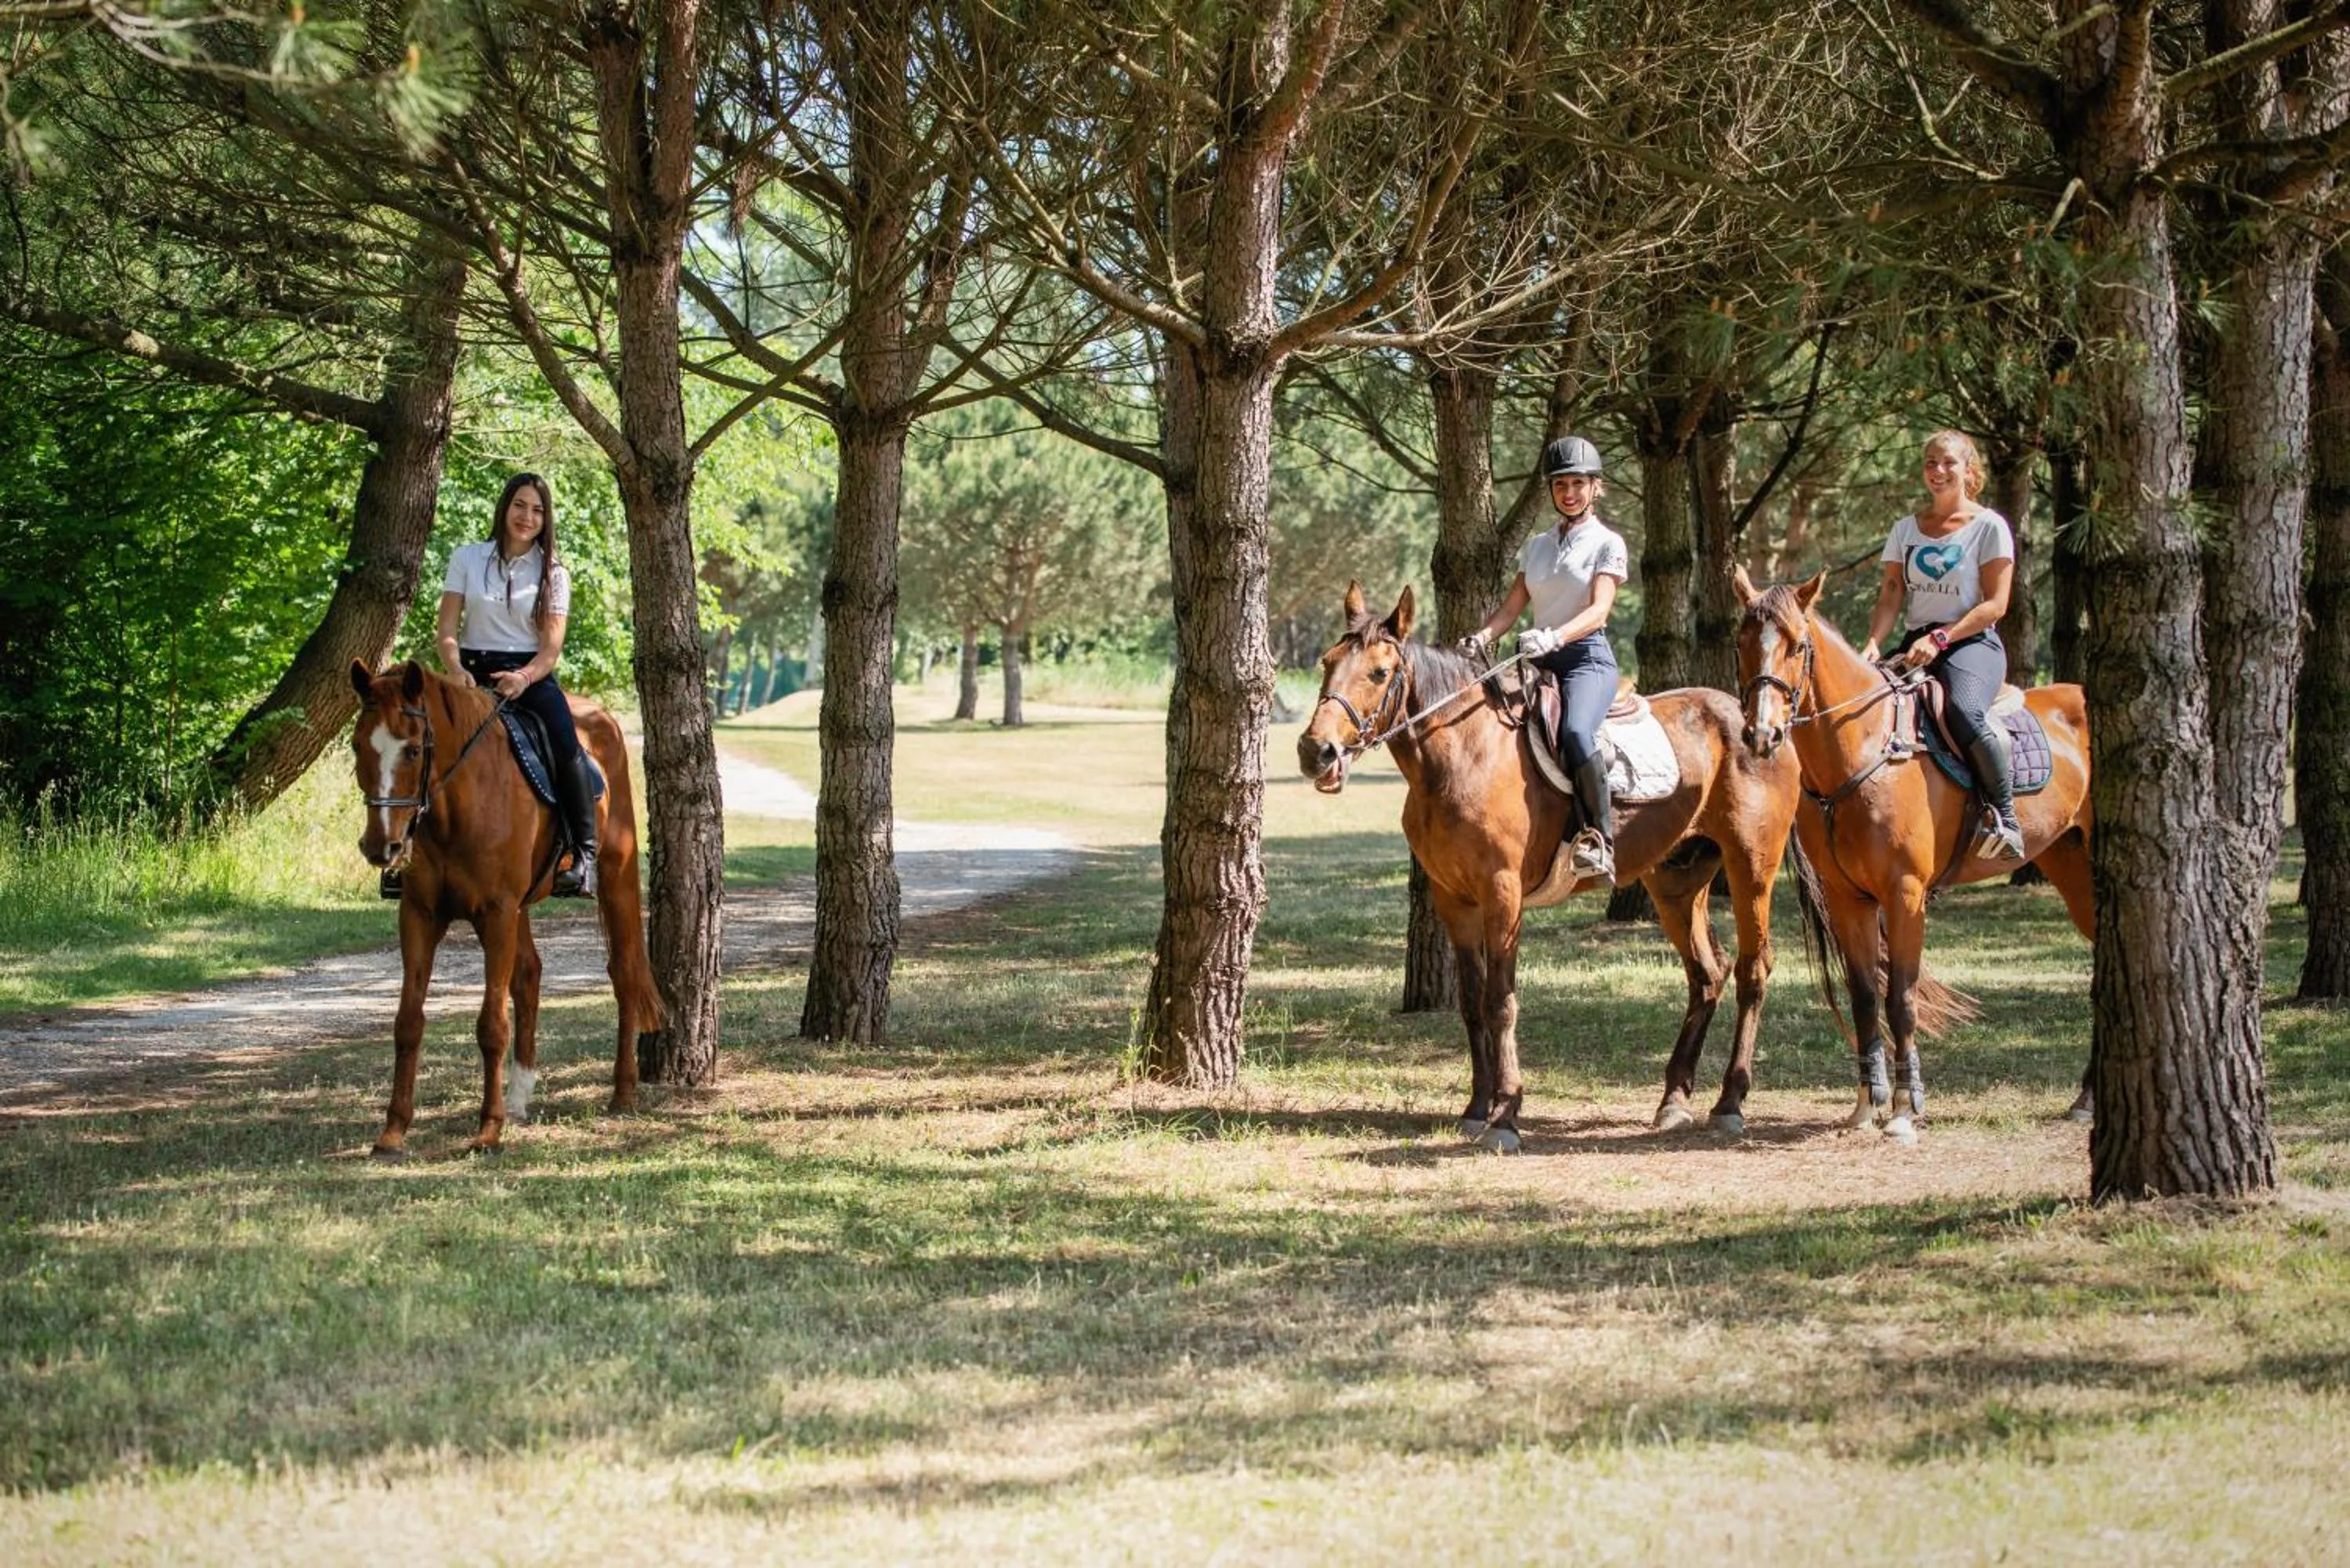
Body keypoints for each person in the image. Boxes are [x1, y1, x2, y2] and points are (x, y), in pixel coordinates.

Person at [1462, 434, 1631, 883]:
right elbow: (1511, 609)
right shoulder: (1537, 546)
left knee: (1576, 732)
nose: (1569, 492)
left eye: (1578, 483)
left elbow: (1598, 612)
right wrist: (1481, 636)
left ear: (1596, 487)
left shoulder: (1607, 543)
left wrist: (1555, 635)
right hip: (1538, 662)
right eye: (1561, 486)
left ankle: (1601, 838)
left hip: (1585, 660)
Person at [1860, 428, 2025, 860]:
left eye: (1949, 462)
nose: (1938, 470)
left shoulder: (1990, 527)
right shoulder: (1906, 529)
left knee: (1962, 711)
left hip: (1971, 643)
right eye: (1931, 462)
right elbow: (1892, 592)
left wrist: (1943, 637)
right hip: (1917, 642)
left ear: (1969, 470)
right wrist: (1875, 643)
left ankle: (2004, 818)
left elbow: (1997, 604)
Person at [436, 473, 598, 897]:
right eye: (520, 505)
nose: (528, 517)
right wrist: (454, 669)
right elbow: (447, 631)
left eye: (538, 510)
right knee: (419, 740)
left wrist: (523, 677)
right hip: (469, 671)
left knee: (565, 741)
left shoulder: (554, 573)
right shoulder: (467, 558)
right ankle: (407, 856)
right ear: (505, 508)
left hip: (529, 674)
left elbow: (550, 650)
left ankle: (583, 855)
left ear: (547, 519)